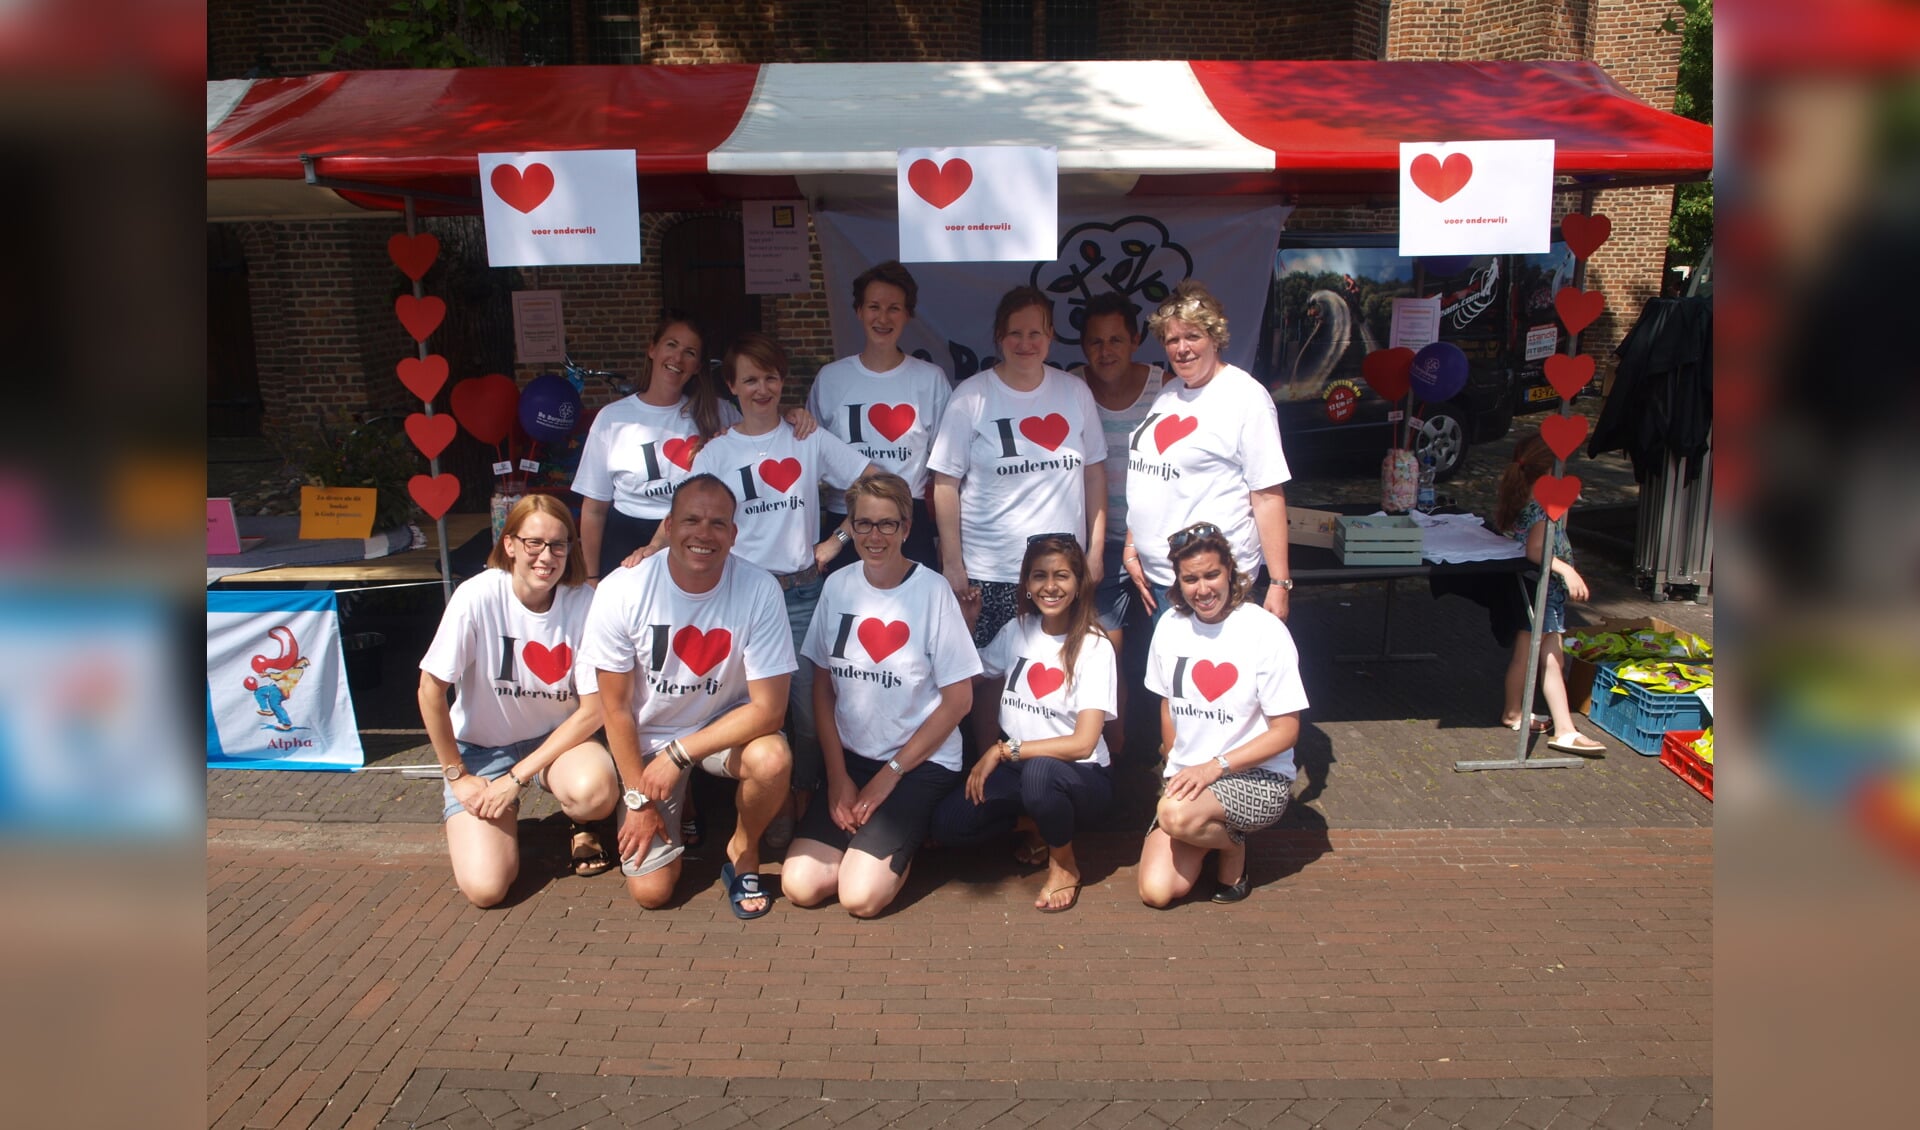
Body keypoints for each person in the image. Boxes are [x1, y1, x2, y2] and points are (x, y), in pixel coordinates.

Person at [580, 475, 798, 919]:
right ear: (668, 525)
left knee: (773, 759)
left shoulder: (759, 588)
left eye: (718, 523)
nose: (704, 533)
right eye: (691, 520)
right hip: (648, 738)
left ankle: (744, 849)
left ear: (734, 534)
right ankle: (678, 809)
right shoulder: (622, 590)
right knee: (652, 892)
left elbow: (770, 710)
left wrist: (680, 754)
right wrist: (638, 799)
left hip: (720, 730)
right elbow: (615, 709)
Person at [683, 333, 875, 828]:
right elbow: (687, 517)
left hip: (802, 593)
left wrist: (839, 538)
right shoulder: (716, 454)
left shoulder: (806, 436)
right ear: (732, 387)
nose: (762, 388)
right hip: (739, 597)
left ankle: (803, 794)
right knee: (743, 711)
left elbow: (875, 482)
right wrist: (648, 551)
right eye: (750, 379)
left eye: (770, 377)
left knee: (812, 715)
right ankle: (755, 804)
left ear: (783, 382)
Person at [783, 473, 980, 918]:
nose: (875, 536)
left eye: (887, 524)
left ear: (907, 528)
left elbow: (959, 701)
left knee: (860, 897)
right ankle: (869, 843)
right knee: (801, 884)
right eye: (864, 524)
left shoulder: (932, 592)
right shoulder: (838, 587)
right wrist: (837, 777)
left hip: (917, 764)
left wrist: (888, 775)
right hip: (853, 757)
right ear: (849, 528)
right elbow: (822, 685)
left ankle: (900, 844)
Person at [418, 495, 619, 908]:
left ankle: (580, 823)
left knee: (595, 792)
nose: (547, 556)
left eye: (559, 544)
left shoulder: (584, 602)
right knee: (487, 889)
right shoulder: (476, 596)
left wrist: (517, 778)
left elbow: (594, 709)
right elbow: (429, 690)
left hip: (555, 744)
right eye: (534, 543)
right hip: (482, 751)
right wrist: (457, 775)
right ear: (509, 544)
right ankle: (491, 824)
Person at [931, 533, 1117, 913]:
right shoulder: (1016, 630)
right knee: (948, 825)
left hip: (1080, 775)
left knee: (1040, 776)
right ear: (1027, 585)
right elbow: (967, 677)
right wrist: (967, 625)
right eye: (1039, 576)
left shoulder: (1095, 647)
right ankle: (1037, 827)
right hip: (1021, 769)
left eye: (1062, 576)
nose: (1050, 586)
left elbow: (1083, 743)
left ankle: (1064, 865)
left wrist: (1002, 751)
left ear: (1079, 584)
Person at [1138, 523, 1309, 908]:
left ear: (1230, 571)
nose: (1203, 589)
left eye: (1212, 574)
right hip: (1191, 780)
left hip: (1257, 776)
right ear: (1178, 582)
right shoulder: (1169, 626)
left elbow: (1286, 731)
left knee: (1175, 814)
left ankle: (1232, 847)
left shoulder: (1263, 630)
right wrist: (1173, 757)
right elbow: (1166, 701)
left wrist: (1214, 767)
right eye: (1190, 579)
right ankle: (1211, 831)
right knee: (1156, 892)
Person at [929, 286, 1108, 652]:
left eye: (1035, 333)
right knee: (986, 684)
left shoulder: (1075, 393)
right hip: (991, 573)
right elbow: (945, 483)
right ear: (999, 336)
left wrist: (1095, 553)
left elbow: (1094, 473)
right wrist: (953, 564)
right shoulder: (971, 396)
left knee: (1057, 676)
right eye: (1015, 333)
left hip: (1060, 575)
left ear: (1050, 337)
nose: (1025, 343)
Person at [1121, 281, 1295, 624]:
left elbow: (1267, 494)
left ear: (1215, 337)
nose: (1182, 349)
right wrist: (1132, 546)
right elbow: (1147, 476)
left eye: (1193, 336)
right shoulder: (1169, 393)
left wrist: (1279, 582)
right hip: (1161, 580)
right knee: (1171, 676)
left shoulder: (1245, 397)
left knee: (1210, 677)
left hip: (1212, 585)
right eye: (1172, 340)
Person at [573, 310, 740, 582]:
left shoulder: (718, 413)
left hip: (696, 541)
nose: (677, 358)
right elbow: (594, 508)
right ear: (652, 349)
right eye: (671, 345)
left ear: (698, 365)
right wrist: (591, 577)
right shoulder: (613, 418)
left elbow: (762, 437)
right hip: (625, 540)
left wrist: (794, 417)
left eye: (690, 352)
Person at [806, 260, 952, 571]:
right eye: (873, 306)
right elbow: (811, 454)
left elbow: (945, 472)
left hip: (908, 523)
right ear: (858, 310)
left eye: (894, 308)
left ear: (908, 314)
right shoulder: (831, 378)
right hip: (844, 524)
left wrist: (948, 544)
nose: (882, 318)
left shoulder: (930, 380)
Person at [1074, 291, 1165, 758]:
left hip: (1155, 546)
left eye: (1115, 339)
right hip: (1094, 544)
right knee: (1104, 654)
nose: (1105, 351)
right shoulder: (1069, 387)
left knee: (1162, 651)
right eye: (1094, 342)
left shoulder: (1165, 387)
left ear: (1135, 339)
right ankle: (1114, 750)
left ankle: (1164, 753)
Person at [1493, 434, 1606, 754]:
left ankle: (1514, 711)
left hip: (1529, 587)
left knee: (1526, 655)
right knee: (1553, 659)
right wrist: (1567, 570)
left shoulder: (1524, 502)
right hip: (1545, 590)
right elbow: (1536, 550)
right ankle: (1565, 729)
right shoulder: (1542, 510)